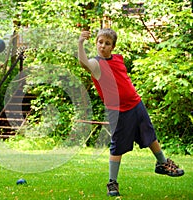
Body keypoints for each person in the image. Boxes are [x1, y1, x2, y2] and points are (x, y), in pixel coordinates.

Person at [78, 28, 184, 197]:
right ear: (96, 43)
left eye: (107, 43)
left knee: (150, 134)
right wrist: (80, 43)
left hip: (136, 103)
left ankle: (162, 163)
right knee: (118, 145)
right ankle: (112, 182)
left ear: (113, 46)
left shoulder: (118, 59)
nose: (103, 46)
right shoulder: (96, 64)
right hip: (118, 111)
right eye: (100, 42)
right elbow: (84, 63)